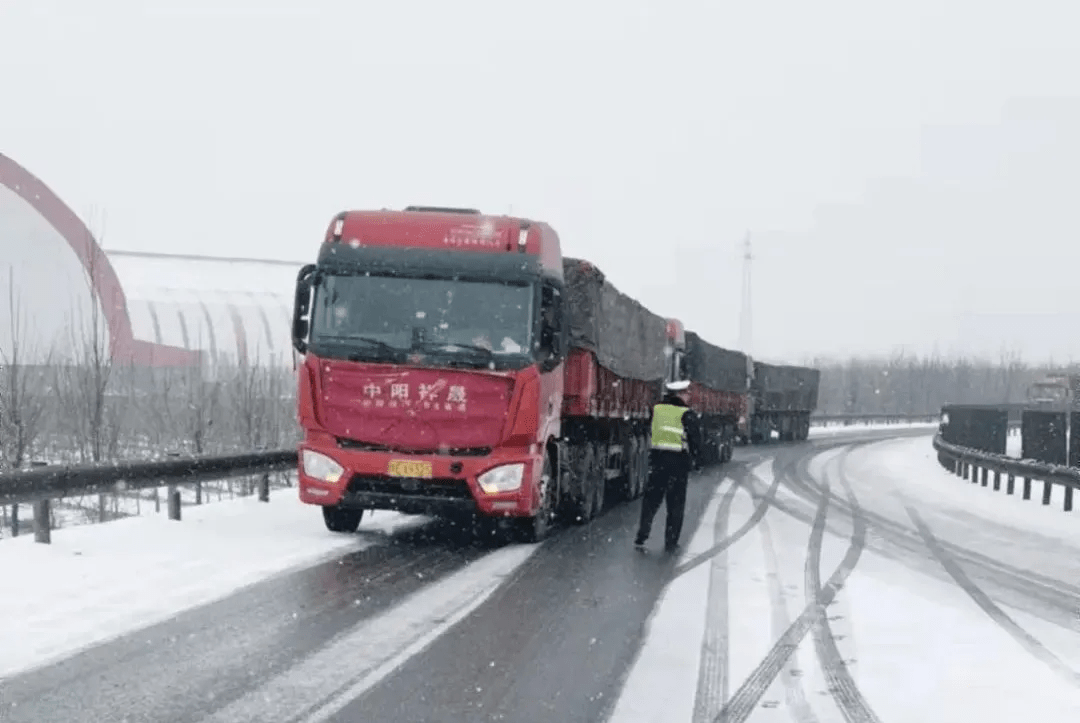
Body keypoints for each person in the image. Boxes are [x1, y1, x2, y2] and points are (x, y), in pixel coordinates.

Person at [635, 379, 700, 551]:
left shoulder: (657, 410)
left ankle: (641, 536)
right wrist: (695, 460)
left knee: (651, 502)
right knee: (675, 505)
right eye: (686, 393)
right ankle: (670, 542)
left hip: (658, 462)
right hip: (678, 465)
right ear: (679, 394)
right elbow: (695, 441)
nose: (688, 396)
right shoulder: (687, 414)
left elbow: (649, 430)